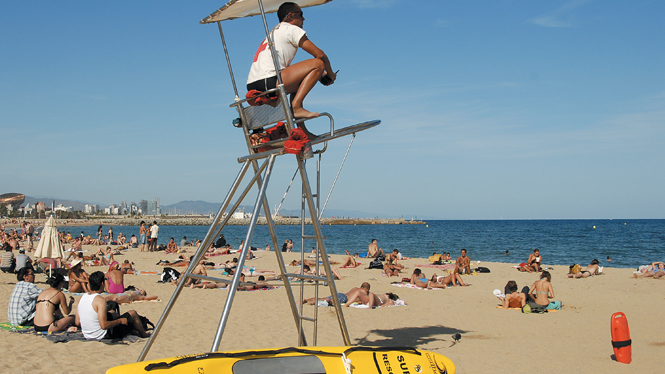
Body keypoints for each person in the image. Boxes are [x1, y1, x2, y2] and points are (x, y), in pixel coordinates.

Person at [246, 2, 336, 125]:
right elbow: (320, 55)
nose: (304, 18)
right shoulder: (290, 29)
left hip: (255, 84)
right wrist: (331, 75)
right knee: (318, 63)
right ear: (290, 16)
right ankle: (296, 106)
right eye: (301, 14)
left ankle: (302, 131)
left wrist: (319, 75)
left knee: (303, 81)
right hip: (269, 80)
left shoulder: (275, 31)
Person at [75, 271, 150, 340]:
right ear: (102, 284)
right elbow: (104, 325)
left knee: (112, 313)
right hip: (102, 335)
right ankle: (144, 334)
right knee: (132, 313)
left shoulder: (82, 298)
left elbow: (77, 322)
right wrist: (120, 321)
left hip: (87, 334)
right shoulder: (100, 300)